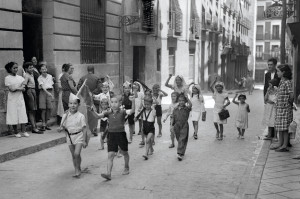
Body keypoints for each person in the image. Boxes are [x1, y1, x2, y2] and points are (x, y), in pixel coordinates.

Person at [93, 95, 135, 180]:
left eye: (116, 102)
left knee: (124, 152)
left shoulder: (123, 112)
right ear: (110, 103)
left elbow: (132, 111)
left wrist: (133, 101)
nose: (114, 104)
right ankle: (108, 173)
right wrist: (91, 111)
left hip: (121, 135)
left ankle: (126, 167)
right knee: (110, 155)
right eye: (112, 102)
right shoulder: (108, 113)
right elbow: (98, 116)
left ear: (120, 103)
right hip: (111, 135)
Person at [58, 93, 88, 178]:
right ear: (68, 105)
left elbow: (84, 129)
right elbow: (63, 127)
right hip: (69, 137)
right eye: (71, 103)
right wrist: (60, 129)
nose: (73, 105)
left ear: (78, 105)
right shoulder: (65, 116)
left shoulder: (81, 116)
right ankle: (77, 168)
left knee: (76, 153)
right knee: (73, 155)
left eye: (75, 103)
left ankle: (77, 169)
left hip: (79, 136)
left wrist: (85, 140)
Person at [271, 64, 294, 152]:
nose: (277, 73)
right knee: (280, 127)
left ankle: (284, 145)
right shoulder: (282, 81)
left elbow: (291, 95)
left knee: (284, 128)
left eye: (278, 71)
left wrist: (288, 104)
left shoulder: (287, 82)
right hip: (280, 108)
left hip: (285, 109)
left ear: (283, 72)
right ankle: (280, 144)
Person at [5, 62, 29, 138]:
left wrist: (20, 88)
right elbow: (11, 89)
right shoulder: (7, 78)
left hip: (20, 98)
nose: (16, 69)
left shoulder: (20, 78)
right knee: (13, 114)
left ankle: (24, 131)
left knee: (22, 113)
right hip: (12, 99)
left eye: (16, 68)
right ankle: (16, 132)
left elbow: (24, 88)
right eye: (14, 68)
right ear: (10, 69)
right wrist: (19, 88)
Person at [23, 62, 42, 134]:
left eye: (32, 67)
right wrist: (28, 91)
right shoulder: (26, 75)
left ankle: (35, 126)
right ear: (26, 69)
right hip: (30, 91)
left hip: (33, 91)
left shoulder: (32, 74)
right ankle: (34, 128)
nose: (32, 69)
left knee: (34, 110)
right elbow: (24, 84)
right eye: (30, 68)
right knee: (31, 110)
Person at [172, 94, 192, 161]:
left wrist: (187, 98)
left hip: (184, 125)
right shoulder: (175, 109)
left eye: (183, 100)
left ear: (185, 101)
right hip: (177, 125)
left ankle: (179, 153)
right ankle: (182, 151)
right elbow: (173, 117)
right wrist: (172, 125)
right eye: (180, 100)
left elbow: (190, 105)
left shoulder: (186, 108)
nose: (181, 102)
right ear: (178, 101)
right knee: (179, 139)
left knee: (182, 139)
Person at [38, 64, 54, 131]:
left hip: (50, 91)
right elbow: (42, 87)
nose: (44, 70)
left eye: (45, 69)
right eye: (42, 69)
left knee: (49, 108)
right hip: (43, 92)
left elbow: (51, 84)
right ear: (40, 70)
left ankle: (46, 124)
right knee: (43, 109)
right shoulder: (39, 78)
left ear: (46, 69)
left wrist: (51, 93)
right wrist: (48, 93)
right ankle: (43, 124)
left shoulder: (50, 76)